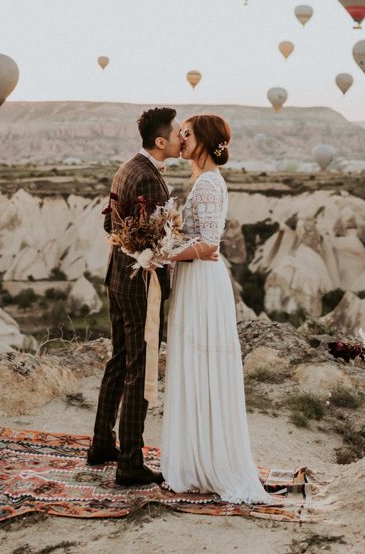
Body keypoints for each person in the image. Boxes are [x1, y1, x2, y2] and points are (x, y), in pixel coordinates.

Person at [88, 107, 219, 486]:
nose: (182, 137)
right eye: (178, 132)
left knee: (119, 359)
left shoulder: (129, 167)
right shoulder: (149, 179)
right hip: (139, 283)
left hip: (117, 274)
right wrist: (189, 248)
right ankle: (129, 462)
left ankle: (101, 443)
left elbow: (110, 223)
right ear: (161, 141)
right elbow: (154, 243)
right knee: (139, 368)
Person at [161, 113, 267, 503]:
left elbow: (208, 245)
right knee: (198, 367)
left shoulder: (207, 183)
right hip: (199, 282)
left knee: (198, 365)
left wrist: (163, 254)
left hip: (202, 282)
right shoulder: (206, 181)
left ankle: (204, 464)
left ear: (204, 141)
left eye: (187, 134)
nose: (181, 139)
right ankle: (199, 458)